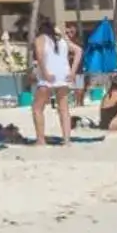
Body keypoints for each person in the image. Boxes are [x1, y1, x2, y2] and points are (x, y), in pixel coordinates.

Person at [31, 15, 80, 146]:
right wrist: (73, 71)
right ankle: (67, 140)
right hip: (63, 75)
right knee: (64, 109)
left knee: (37, 108)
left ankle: (41, 140)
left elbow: (40, 57)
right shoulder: (62, 39)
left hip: (49, 76)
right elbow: (79, 51)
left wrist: (45, 73)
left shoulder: (40, 39)